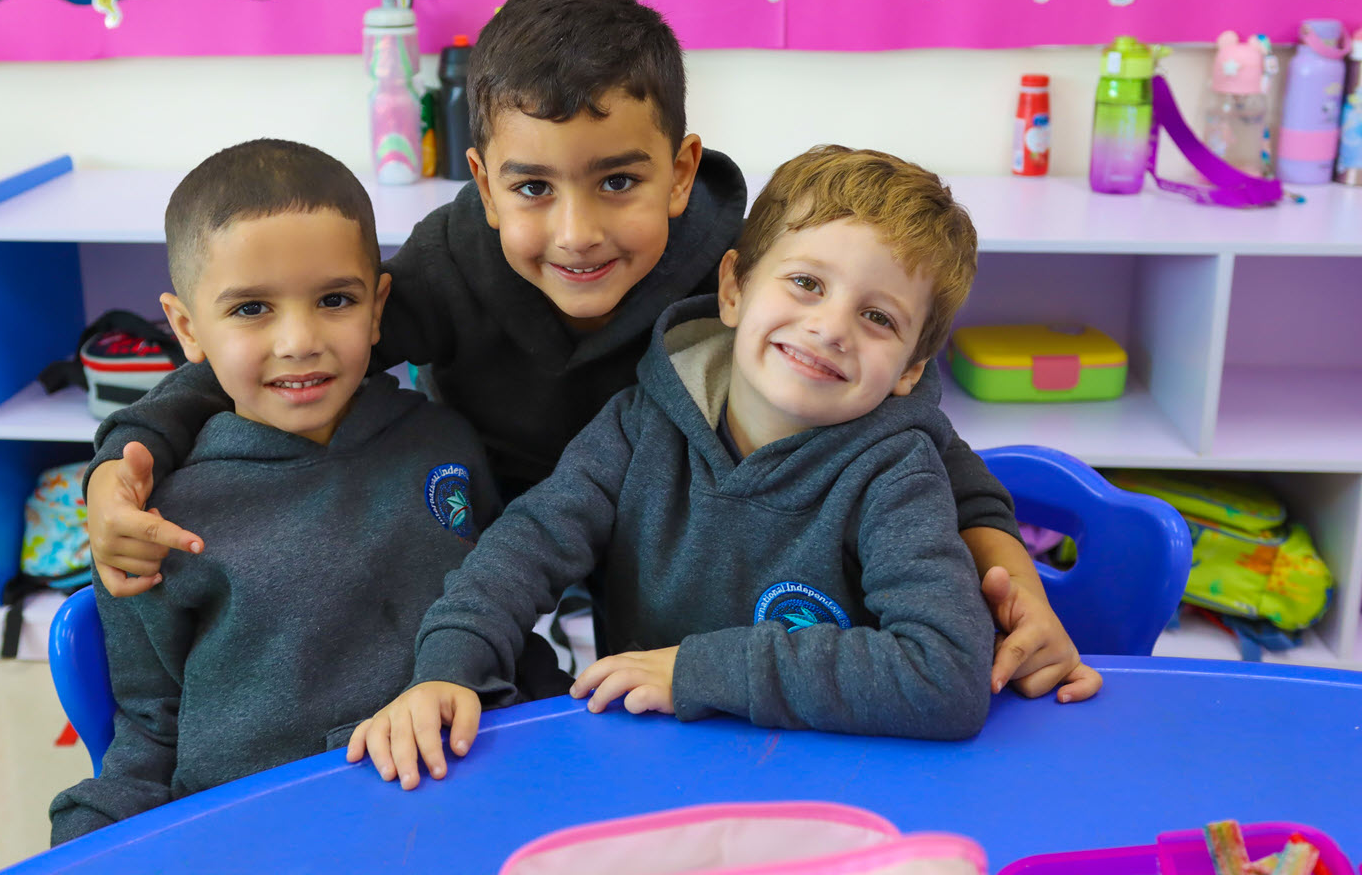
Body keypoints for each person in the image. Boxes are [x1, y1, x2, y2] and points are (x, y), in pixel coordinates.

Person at [81, 0, 1100, 703]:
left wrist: (999, 563)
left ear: (680, 170)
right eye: (532, 188)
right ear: (485, 186)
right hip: (500, 537)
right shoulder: (446, 266)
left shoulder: (745, 279)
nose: (576, 233)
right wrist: (121, 460)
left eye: (618, 180)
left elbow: (911, 434)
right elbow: (286, 350)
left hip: (677, 560)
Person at [350, 147, 999, 788]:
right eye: (807, 283)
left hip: (831, 782)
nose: (830, 329)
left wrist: (700, 670)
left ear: (911, 370)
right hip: (648, 770)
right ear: (734, 289)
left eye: (878, 317)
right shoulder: (639, 425)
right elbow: (526, 548)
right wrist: (449, 666)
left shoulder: (898, 476)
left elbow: (946, 674)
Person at [49, 140, 499, 842]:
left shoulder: (446, 445)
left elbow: (502, 631)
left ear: (377, 307)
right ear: (187, 328)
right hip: (263, 835)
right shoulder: (154, 519)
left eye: (335, 300)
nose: (299, 340)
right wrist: (90, 836)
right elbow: (149, 734)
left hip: (462, 808)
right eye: (253, 308)